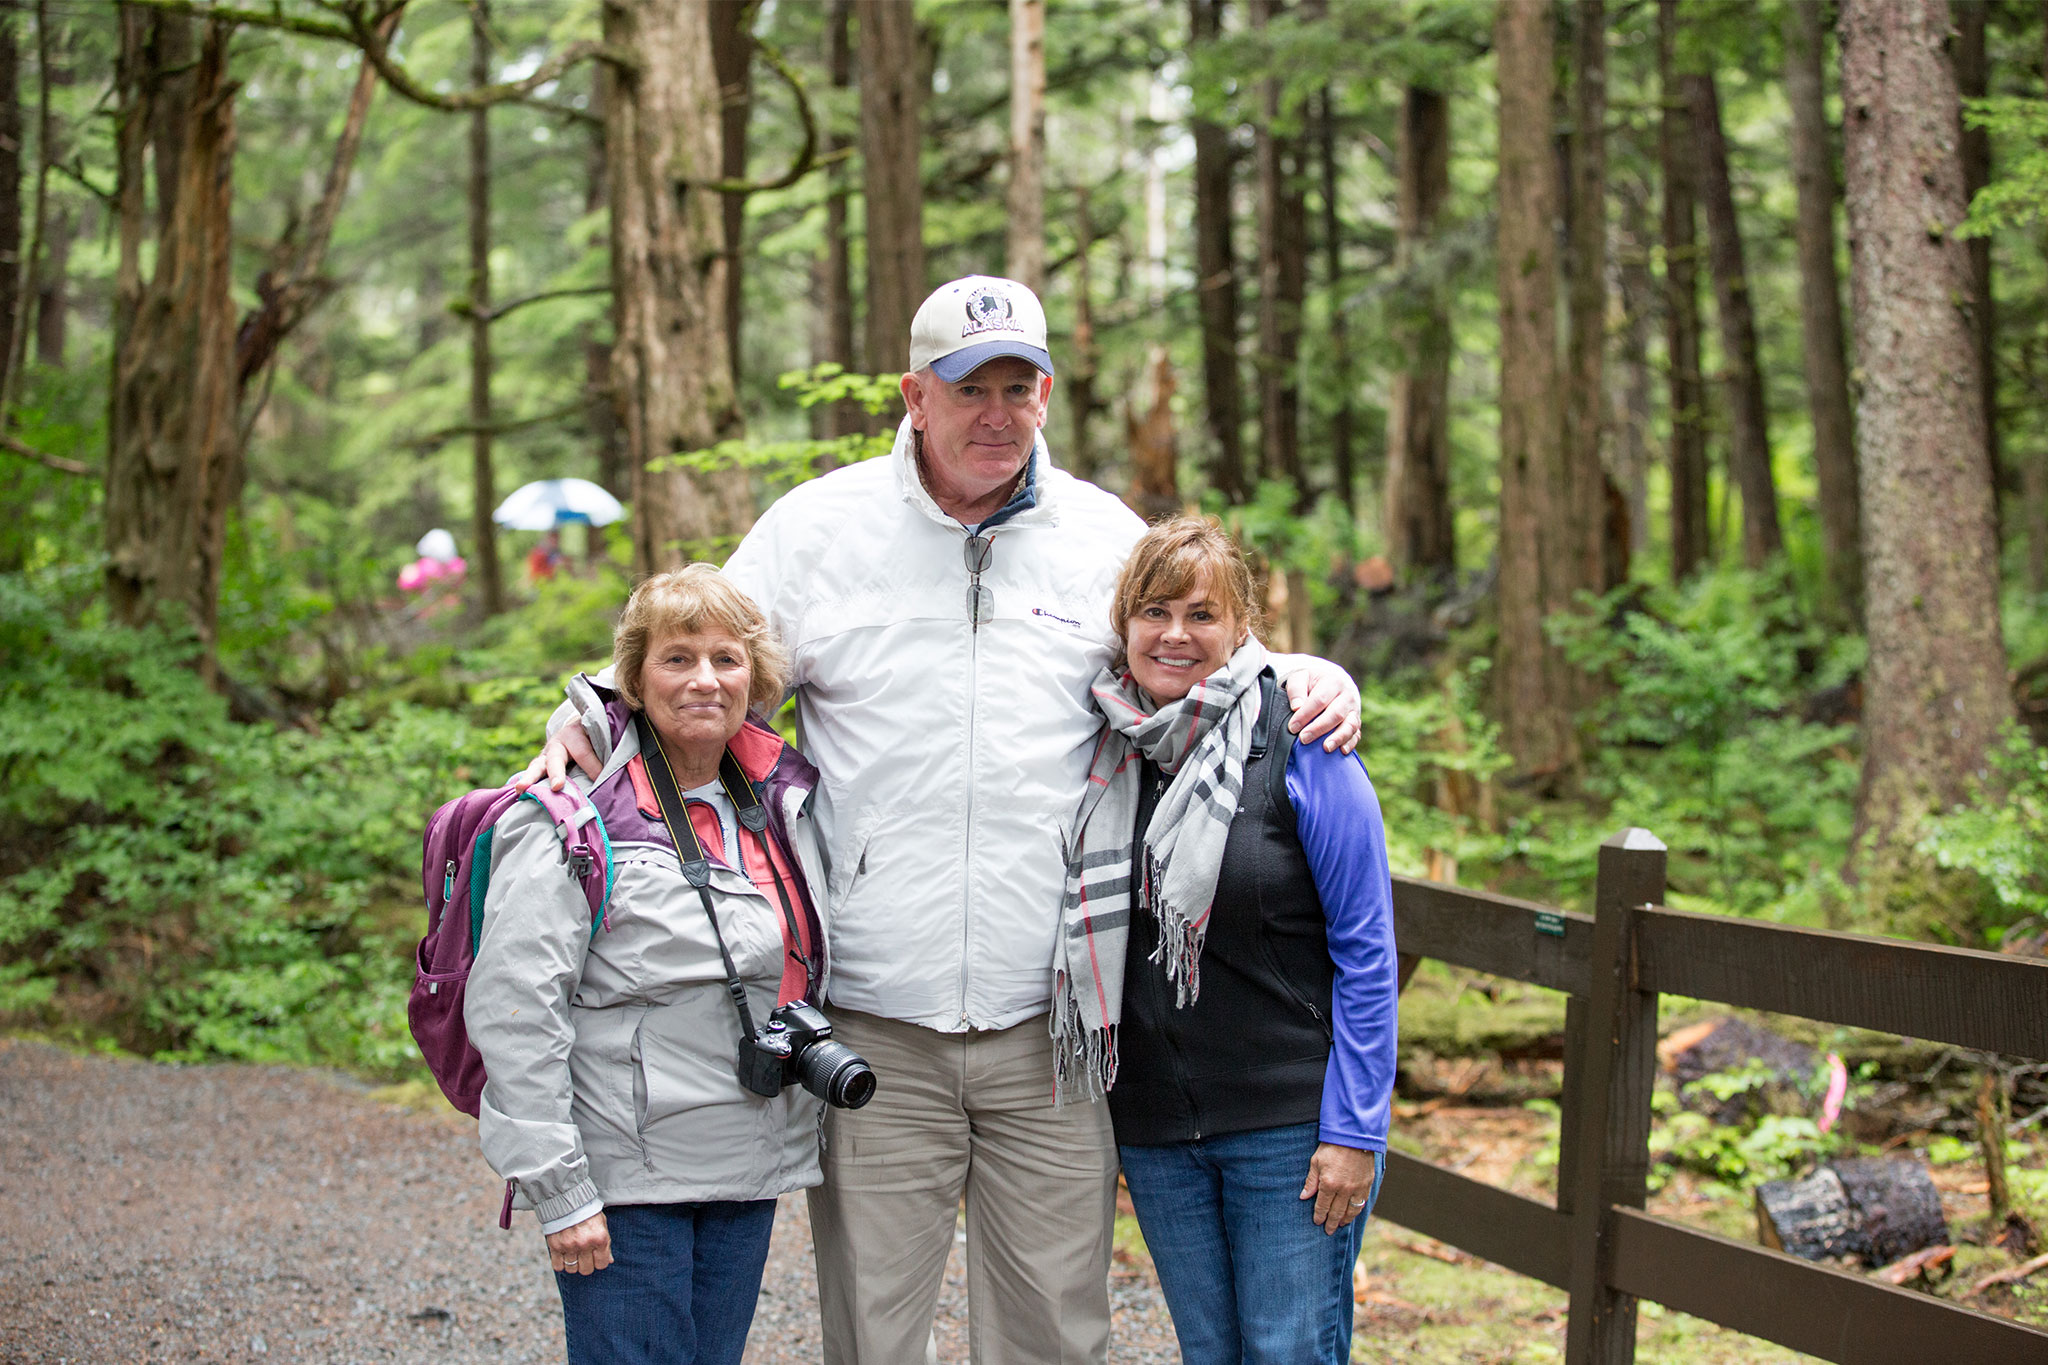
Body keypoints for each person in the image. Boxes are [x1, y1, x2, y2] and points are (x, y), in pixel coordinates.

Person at [532, 275, 1362, 1365]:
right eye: (969, 390)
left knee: (1056, 1336)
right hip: (877, 1020)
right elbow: (699, 657)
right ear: (914, 395)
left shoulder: (1100, 538)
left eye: (1017, 389)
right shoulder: (819, 530)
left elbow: (1204, 652)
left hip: (1052, 1025)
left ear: (1046, 394)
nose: (995, 416)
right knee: (875, 1335)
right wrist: (585, 709)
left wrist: (1312, 669)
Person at [1054, 516, 1397, 1365]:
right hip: (1158, 1128)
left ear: (1242, 627)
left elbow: (1369, 951)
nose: (1176, 633)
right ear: (1124, 624)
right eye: (1155, 610)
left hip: (1290, 1128)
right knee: (1211, 1352)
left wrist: (1357, 1131)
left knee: (1288, 1350)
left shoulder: (1305, 741)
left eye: (1202, 614)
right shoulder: (1104, 749)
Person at [469, 565, 830, 1365]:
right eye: (677, 658)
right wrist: (561, 1192)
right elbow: (515, 1007)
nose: (705, 678)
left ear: (756, 678)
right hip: (625, 1180)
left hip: (743, 1164)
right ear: (633, 679)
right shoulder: (573, 814)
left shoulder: (782, 803)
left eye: (727, 659)